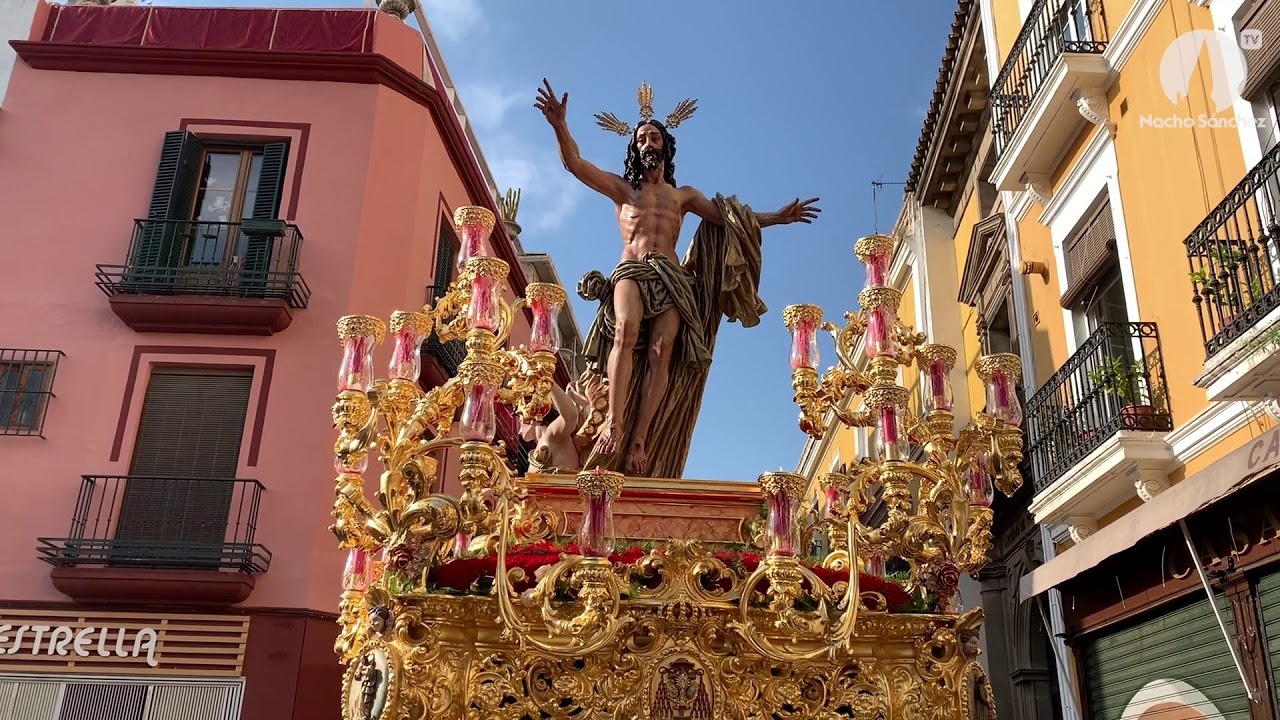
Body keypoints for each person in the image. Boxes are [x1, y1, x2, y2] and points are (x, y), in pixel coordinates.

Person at [535, 79, 820, 477]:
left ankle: (639, 437)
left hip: (671, 276)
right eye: (640, 139)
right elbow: (575, 164)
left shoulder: (682, 195)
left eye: (653, 137)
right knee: (625, 331)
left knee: (661, 352)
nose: (647, 142)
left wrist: (779, 217)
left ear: (666, 145)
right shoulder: (623, 190)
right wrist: (560, 126)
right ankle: (614, 423)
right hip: (632, 269)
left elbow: (730, 219)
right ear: (634, 149)